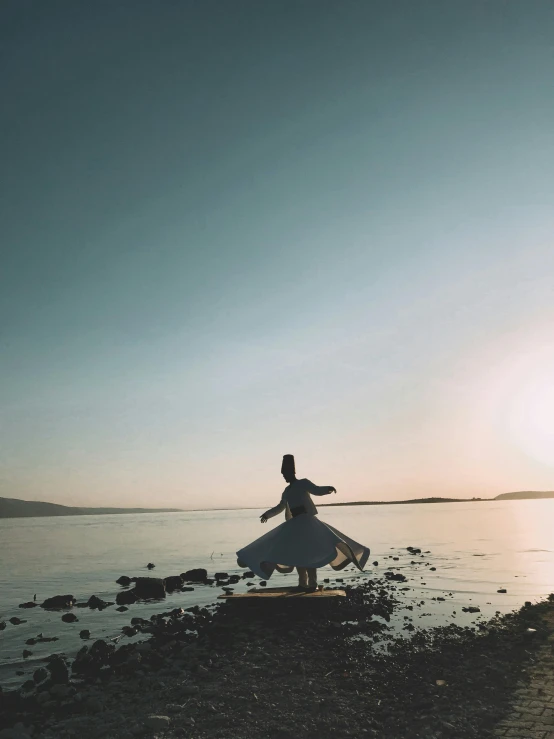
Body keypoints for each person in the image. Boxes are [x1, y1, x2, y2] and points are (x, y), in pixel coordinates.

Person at [236, 454, 370, 590]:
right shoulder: (287, 491)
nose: (284, 477)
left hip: (308, 523)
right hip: (295, 525)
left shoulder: (303, 483)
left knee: (310, 554)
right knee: (298, 554)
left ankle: (312, 584)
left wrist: (328, 489)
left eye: (286, 474)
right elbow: (281, 506)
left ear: (292, 472)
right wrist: (267, 514)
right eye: (283, 475)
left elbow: (316, 490)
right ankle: (302, 584)